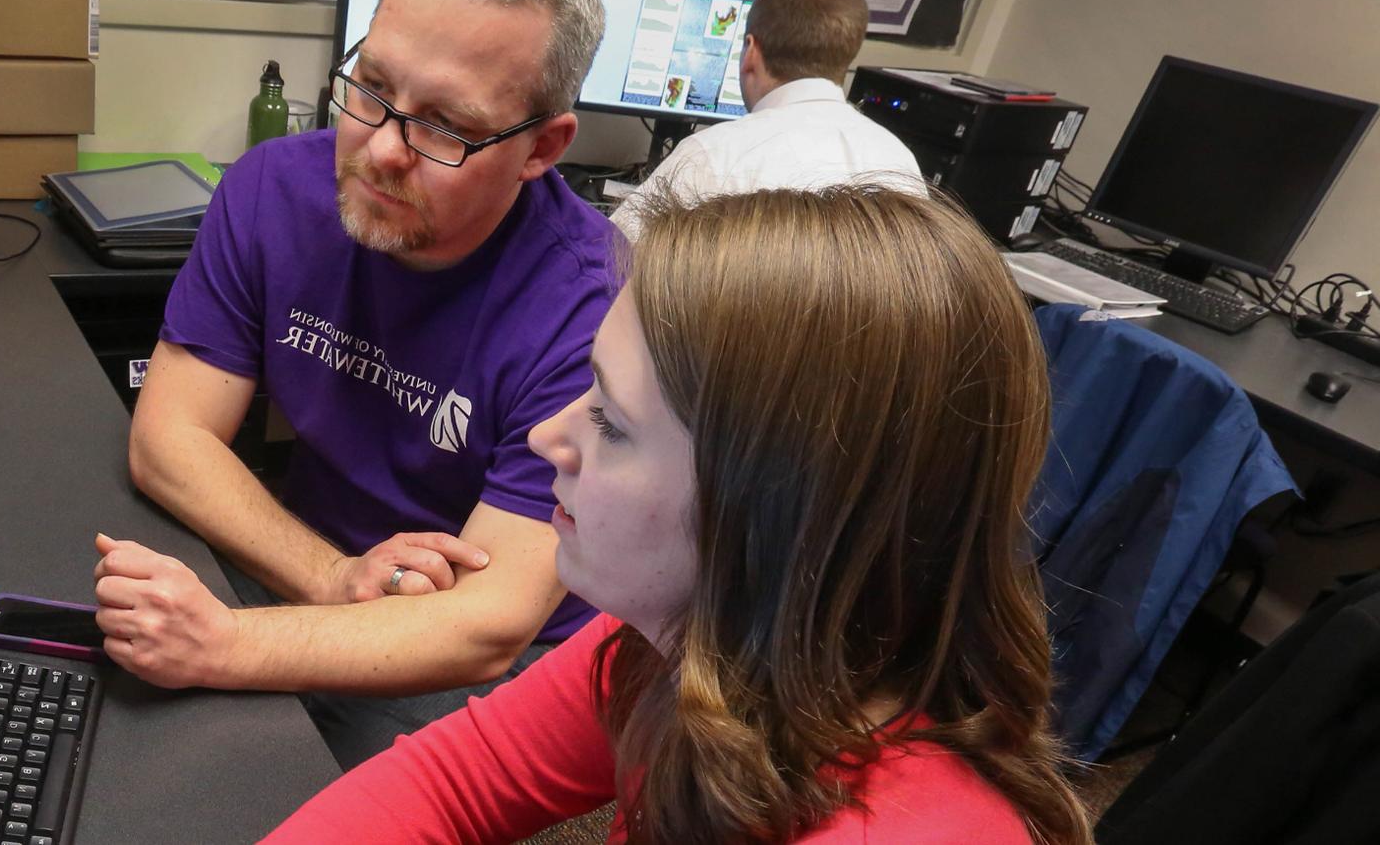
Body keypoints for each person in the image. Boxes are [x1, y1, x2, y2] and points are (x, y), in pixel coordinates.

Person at [266, 185, 1092, 844]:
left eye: (613, 423)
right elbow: (454, 783)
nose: (548, 436)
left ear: (772, 507)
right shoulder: (689, 636)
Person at [94, 0, 614, 768]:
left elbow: (489, 622)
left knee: (261, 791)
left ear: (543, 147)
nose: (380, 150)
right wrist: (333, 579)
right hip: (315, 562)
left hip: (478, 649)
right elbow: (168, 438)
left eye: (444, 126)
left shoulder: (594, 309)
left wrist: (227, 644)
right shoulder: (272, 188)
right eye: (370, 89)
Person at [609, 0, 920, 243]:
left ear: (751, 52)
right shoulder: (899, 164)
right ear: (846, 54)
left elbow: (612, 258)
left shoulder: (714, 155)